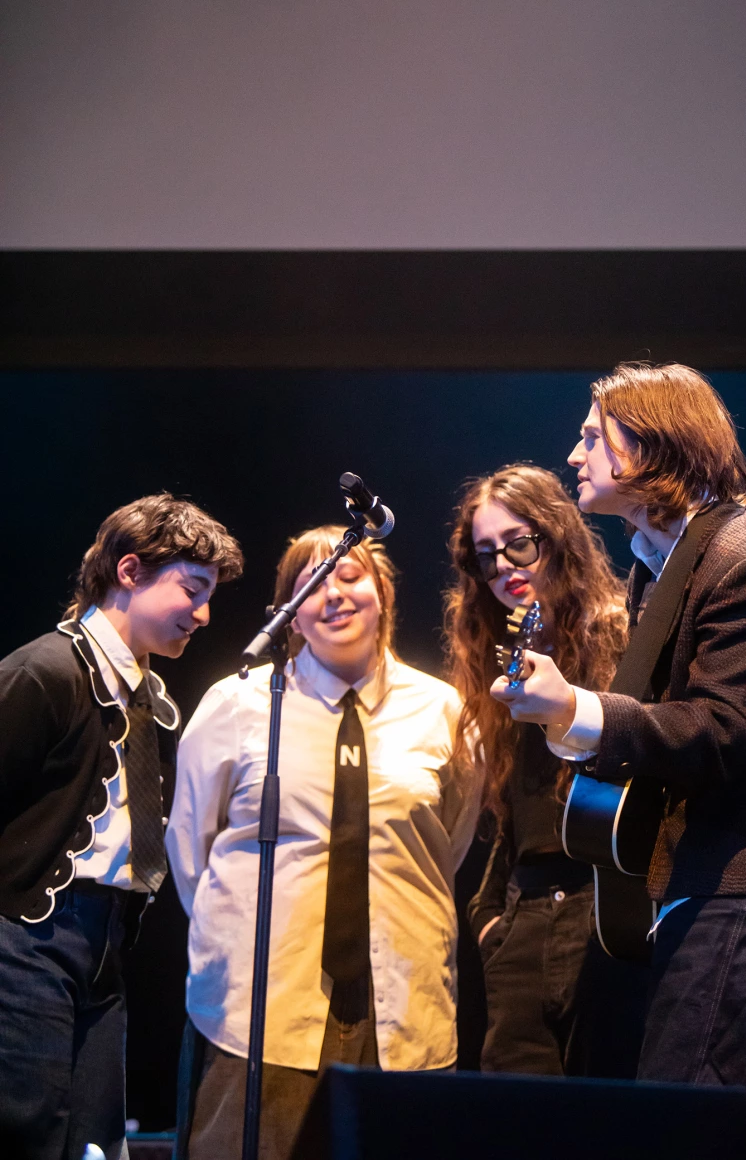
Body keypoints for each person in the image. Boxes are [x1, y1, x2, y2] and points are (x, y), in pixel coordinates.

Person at [491, 364, 746, 1087]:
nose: (574, 454)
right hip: (714, 884)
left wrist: (574, 709)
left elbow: (724, 731)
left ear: (654, 448)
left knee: (694, 1116)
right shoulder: (662, 563)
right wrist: (566, 719)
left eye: (593, 437)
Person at [168, 525, 482, 1159]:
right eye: (312, 583)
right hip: (260, 1014)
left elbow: (448, 844)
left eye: (350, 576)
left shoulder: (444, 711)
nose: (334, 595)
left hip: (402, 1006)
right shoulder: (238, 705)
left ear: (383, 593)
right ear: (288, 613)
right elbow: (190, 851)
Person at [0, 493, 244, 1160]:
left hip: (103, 945)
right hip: (26, 937)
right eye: (191, 589)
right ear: (130, 572)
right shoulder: (45, 672)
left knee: (96, 1138)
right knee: (29, 1126)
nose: (204, 614)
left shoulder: (152, 699)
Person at [444, 464, 648, 1077]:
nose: (505, 566)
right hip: (524, 914)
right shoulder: (495, 657)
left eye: (519, 544)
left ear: (557, 539)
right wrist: (487, 922)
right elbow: (511, 811)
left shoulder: (624, 631)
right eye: (487, 556)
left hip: (607, 910)